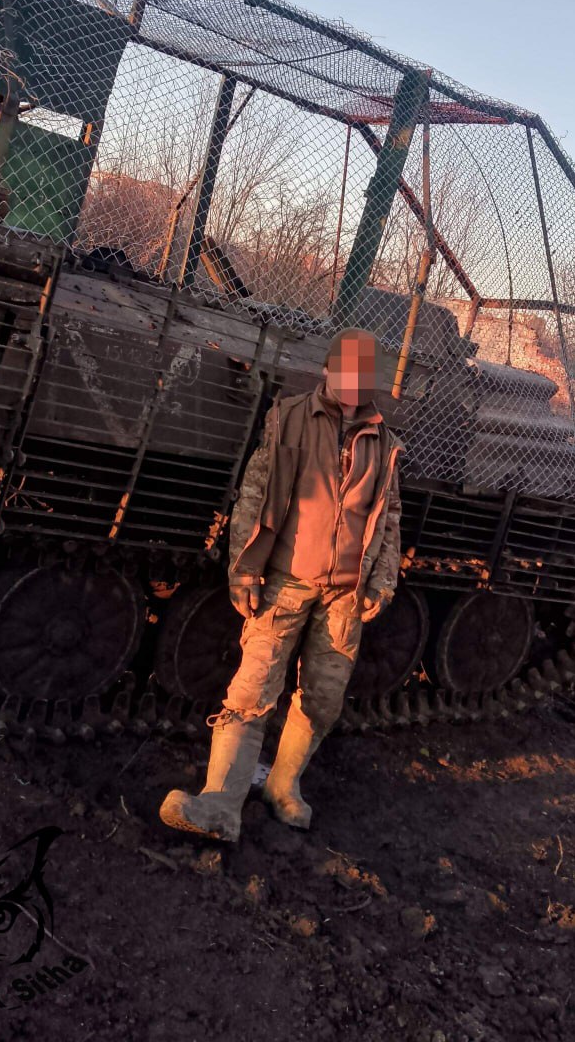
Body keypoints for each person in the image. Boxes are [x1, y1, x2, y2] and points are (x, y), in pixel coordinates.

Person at [159, 327, 403, 843]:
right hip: (286, 580)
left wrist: (382, 581)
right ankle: (220, 805)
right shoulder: (289, 417)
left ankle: (283, 786)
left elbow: (390, 514)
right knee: (253, 689)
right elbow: (254, 492)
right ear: (328, 370)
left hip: (345, 595)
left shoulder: (384, 443)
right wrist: (243, 569)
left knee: (323, 699)